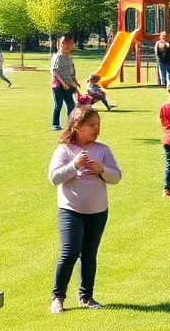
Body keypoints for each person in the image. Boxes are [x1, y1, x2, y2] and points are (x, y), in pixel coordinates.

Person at [47, 106, 121, 313]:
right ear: (77, 126)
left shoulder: (103, 150)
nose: (97, 129)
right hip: (70, 210)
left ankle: (86, 297)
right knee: (70, 252)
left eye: (98, 124)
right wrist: (75, 165)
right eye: (92, 125)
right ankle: (57, 297)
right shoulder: (64, 150)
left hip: (98, 212)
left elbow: (116, 177)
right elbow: (54, 178)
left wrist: (102, 170)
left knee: (89, 253)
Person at [49, 34, 79, 131]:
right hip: (58, 85)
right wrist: (63, 83)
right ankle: (55, 124)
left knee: (71, 105)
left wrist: (75, 83)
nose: (67, 45)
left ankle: (70, 124)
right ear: (60, 44)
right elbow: (55, 71)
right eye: (64, 43)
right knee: (58, 105)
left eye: (69, 43)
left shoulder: (69, 58)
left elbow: (71, 73)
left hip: (68, 85)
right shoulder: (58, 56)